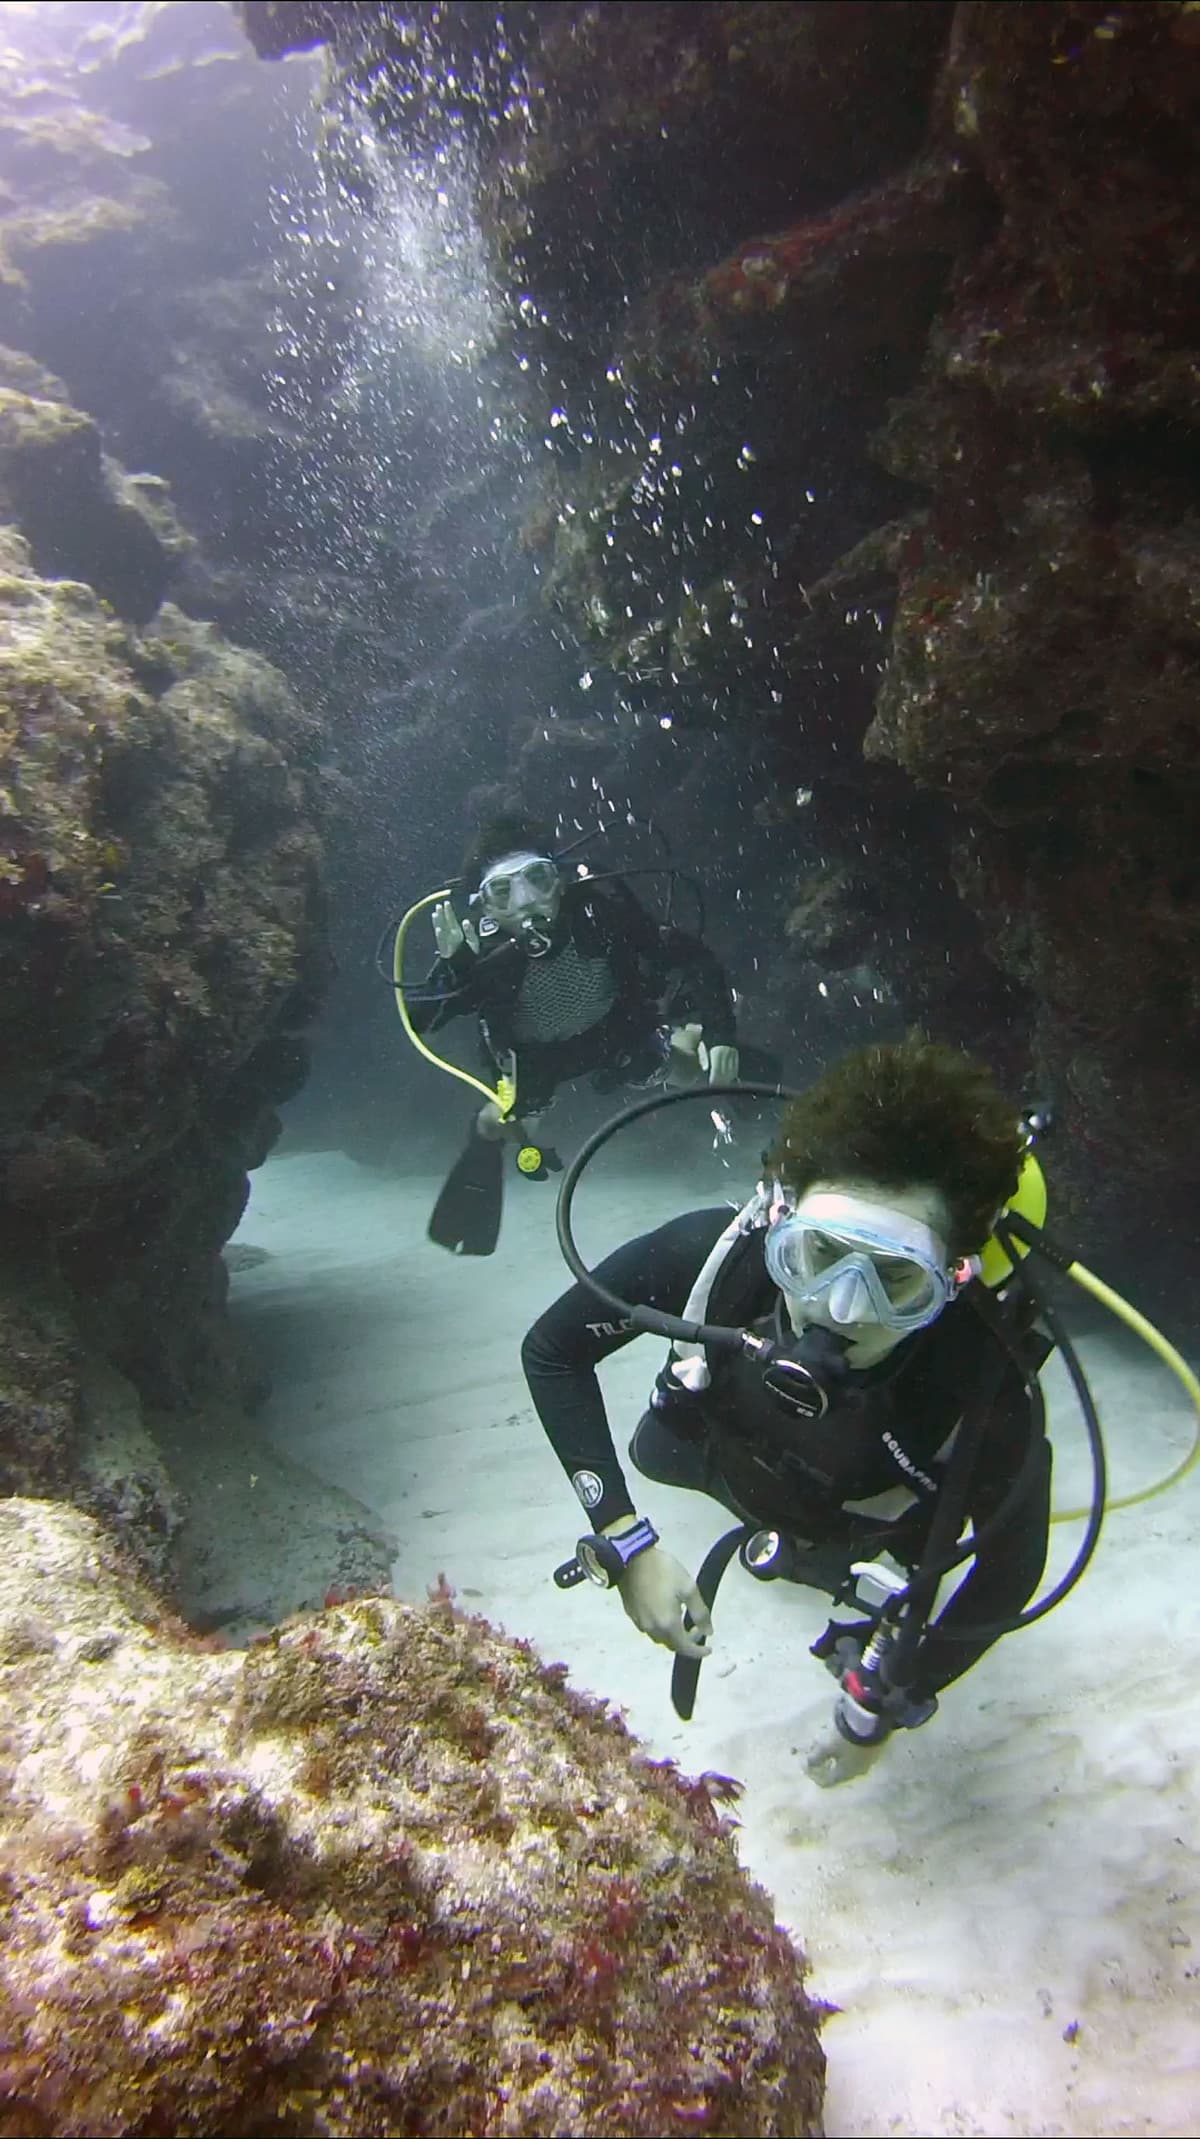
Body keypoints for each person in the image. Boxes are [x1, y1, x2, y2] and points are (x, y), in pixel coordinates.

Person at [521, 1036, 1053, 1785]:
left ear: (956, 1277)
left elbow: (1010, 1569)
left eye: (896, 1280)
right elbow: (553, 1351)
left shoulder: (982, 1386)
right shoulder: (716, 1259)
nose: (841, 1308)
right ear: (778, 1223)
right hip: (711, 1458)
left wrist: (881, 1705)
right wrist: (626, 1540)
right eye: (817, 1255)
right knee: (657, 1449)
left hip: (848, 1529)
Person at [406, 811, 743, 1253]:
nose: (525, 902)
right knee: (499, 1124)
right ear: (485, 908)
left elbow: (692, 956)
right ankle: (473, 1193)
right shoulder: (478, 952)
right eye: (503, 892)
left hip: (615, 1031)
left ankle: (687, 1039)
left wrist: (720, 1032)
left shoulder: (597, 914)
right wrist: (453, 972)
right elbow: (421, 1019)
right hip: (535, 1060)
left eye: (537, 879)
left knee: (685, 1073)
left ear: (560, 882)